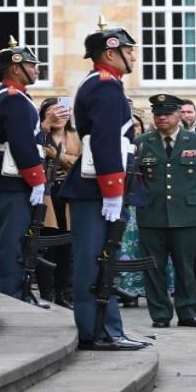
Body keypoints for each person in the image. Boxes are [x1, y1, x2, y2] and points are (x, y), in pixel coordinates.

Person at [60, 18, 150, 351]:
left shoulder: (105, 83)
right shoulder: (104, 85)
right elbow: (106, 140)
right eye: (129, 50)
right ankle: (98, 330)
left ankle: (107, 327)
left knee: (103, 259)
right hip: (98, 188)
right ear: (110, 54)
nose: (134, 56)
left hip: (100, 186)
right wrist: (113, 192)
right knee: (95, 260)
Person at [133, 93, 196, 328]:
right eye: (158, 114)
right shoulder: (142, 143)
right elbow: (135, 179)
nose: (162, 119)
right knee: (154, 267)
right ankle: (160, 314)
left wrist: (192, 198)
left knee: (185, 266)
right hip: (151, 214)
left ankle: (188, 312)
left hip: (186, 214)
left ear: (180, 114)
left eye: (167, 114)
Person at [0, 39, 47, 301]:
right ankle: (11, 292)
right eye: (31, 65)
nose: (36, 70)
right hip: (14, 180)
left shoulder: (17, 96)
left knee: (21, 238)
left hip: (15, 179)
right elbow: (22, 144)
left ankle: (18, 289)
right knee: (13, 239)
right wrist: (36, 180)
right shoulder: (13, 98)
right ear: (15, 68)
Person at [38, 96, 80, 307]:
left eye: (63, 111)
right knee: (47, 245)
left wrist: (59, 157)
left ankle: (65, 293)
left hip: (69, 195)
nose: (59, 116)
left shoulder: (75, 136)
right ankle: (47, 292)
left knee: (68, 247)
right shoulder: (40, 136)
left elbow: (81, 164)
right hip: (47, 194)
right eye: (53, 112)